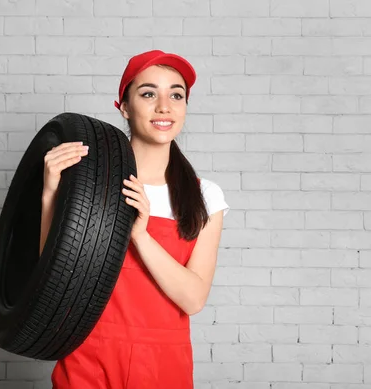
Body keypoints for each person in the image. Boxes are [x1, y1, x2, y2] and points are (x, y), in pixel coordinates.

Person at [40, 50, 230, 388]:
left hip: (163, 366)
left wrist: (140, 235)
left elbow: (194, 298)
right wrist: (50, 195)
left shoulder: (205, 197)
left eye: (176, 94)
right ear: (124, 106)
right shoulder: (89, 183)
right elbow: (50, 278)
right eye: (148, 93)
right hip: (88, 358)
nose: (164, 106)